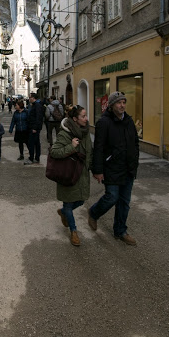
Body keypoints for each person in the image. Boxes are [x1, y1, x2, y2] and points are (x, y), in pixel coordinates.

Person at [88, 91, 139, 246]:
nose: (122, 105)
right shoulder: (104, 122)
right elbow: (98, 147)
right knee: (112, 197)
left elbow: (135, 143)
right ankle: (93, 212)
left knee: (124, 202)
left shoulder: (129, 121)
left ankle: (120, 231)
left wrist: (134, 162)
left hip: (128, 168)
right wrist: (97, 170)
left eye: (124, 102)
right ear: (111, 105)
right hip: (111, 167)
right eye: (119, 102)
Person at [50, 105, 92, 246]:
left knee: (81, 200)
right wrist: (71, 147)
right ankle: (74, 231)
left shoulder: (85, 132)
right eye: (83, 116)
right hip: (68, 173)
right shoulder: (65, 133)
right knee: (68, 203)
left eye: (86, 116)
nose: (86, 119)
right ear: (75, 119)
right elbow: (54, 152)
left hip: (82, 174)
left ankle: (63, 212)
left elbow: (89, 152)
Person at [24, 92, 44, 165]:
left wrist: (35, 128)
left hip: (34, 128)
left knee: (32, 143)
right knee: (36, 143)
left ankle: (32, 158)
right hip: (32, 127)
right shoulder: (34, 105)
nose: (29, 99)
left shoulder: (37, 106)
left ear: (33, 98)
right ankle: (36, 157)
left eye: (30, 97)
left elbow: (39, 117)